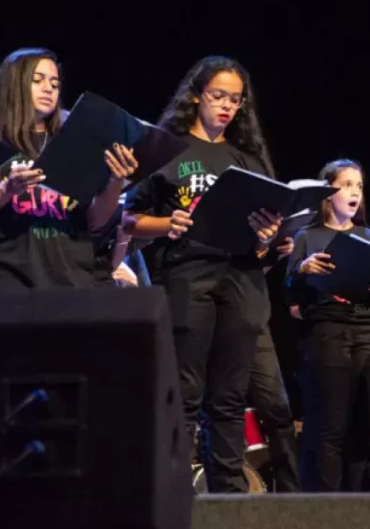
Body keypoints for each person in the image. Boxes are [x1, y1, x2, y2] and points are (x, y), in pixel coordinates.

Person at [124, 55, 282, 493]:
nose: (227, 106)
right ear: (196, 95)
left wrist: (268, 235)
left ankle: (227, 498)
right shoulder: (166, 148)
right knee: (186, 394)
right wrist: (166, 224)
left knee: (230, 397)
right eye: (218, 96)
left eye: (236, 99)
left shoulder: (246, 156)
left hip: (241, 276)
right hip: (188, 273)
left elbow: (267, 233)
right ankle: (173, 492)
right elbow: (127, 219)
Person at [0, 48, 137, 289]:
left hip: (71, 278)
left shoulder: (77, 142)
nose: (49, 88)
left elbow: (96, 221)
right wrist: (6, 189)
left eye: (55, 83)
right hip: (6, 279)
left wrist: (115, 181)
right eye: (37, 80)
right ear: (13, 84)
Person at [285, 159, 370, 492]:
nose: (354, 192)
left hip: (368, 331)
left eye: (359, 186)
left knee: (363, 425)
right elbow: (290, 294)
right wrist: (304, 269)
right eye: (346, 185)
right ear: (329, 193)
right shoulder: (308, 236)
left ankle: (360, 503)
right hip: (328, 334)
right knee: (328, 426)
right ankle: (325, 506)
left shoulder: (368, 235)